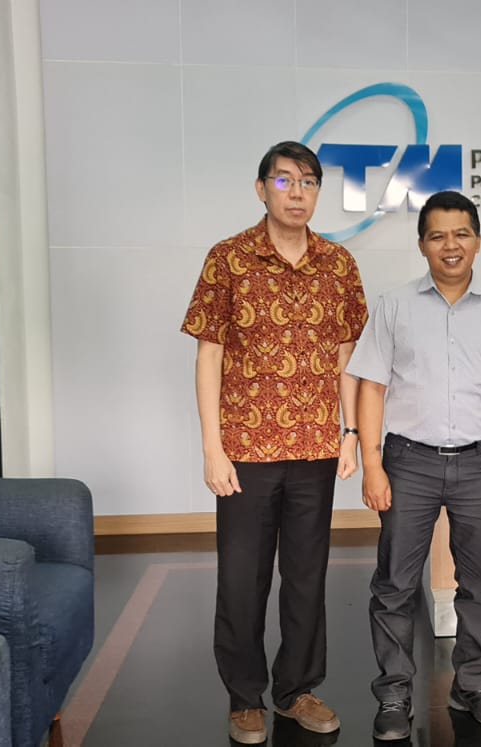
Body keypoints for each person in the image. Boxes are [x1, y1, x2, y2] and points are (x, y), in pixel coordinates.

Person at [179, 141, 369, 744]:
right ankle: (244, 697)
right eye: (284, 180)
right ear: (261, 189)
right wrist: (212, 447)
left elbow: (347, 358)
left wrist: (351, 432)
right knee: (242, 580)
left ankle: (296, 690)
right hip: (246, 451)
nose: (297, 192)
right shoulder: (228, 259)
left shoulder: (338, 265)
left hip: (315, 448)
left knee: (307, 578)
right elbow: (209, 356)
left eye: (308, 181)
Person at [346, 190, 481, 741]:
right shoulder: (393, 306)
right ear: (422, 245)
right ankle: (394, 694)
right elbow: (371, 388)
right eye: (437, 236)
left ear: (478, 241)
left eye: (461, 234)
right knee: (395, 583)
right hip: (407, 462)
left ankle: (474, 686)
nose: (450, 245)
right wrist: (372, 464)